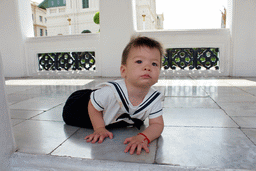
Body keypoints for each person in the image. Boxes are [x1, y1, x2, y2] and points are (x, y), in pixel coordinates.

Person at [62, 36, 164, 155]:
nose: (147, 67)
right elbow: (92, 106)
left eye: (154, 64)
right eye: (139, 61)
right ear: (123, 71)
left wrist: (143, 137)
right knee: (78, 110)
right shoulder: (111, 92)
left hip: (107, 105)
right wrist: (99, 128)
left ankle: (100, 96)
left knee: (107, 101)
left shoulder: (154, 98)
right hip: (82, 105)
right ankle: (98, 93)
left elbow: (157, 124)